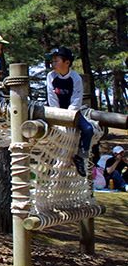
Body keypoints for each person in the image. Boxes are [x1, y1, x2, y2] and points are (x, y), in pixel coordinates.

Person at [46, 46, 94, 176]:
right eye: (53, 60)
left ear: (67, 62)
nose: (53, 63)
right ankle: (48, 162)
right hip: (55, 112)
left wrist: (68, 117)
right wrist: (57, 116)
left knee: (88, 129)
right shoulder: (51, 76)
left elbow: (76, 100)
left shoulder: (75, 78)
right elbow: (52, 97)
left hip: (72, 113)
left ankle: (80, 156)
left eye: (56, 60)